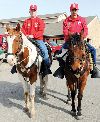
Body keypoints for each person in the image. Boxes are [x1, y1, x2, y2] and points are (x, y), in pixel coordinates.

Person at [53, 3, 99, 78]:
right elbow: (65, 31)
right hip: (70, 41)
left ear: (77, 10)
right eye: (73, 10)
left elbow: (85, 30)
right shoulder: (66, 21)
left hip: (80, 41)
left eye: (75, 10)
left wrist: (81, 36)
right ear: (70, 10)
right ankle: (61, 69)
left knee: (93, 50)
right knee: (60, 53)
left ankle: (93, 68)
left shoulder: (82, 20)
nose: (74, 11)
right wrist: (72, 35)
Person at [11, 4, 52, 76]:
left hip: (38, 40)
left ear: (36, 12)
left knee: (45, 52)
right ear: (29, 11)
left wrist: (33, 35)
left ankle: (46, 68)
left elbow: (41, 31)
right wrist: (26, 35)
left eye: (34, 11)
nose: (33, 12)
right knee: (18, 50)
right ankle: (15, 67)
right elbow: (23, 30)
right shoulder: (26, 21)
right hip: (27, 40)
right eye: (31, 10)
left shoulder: (40, 21)